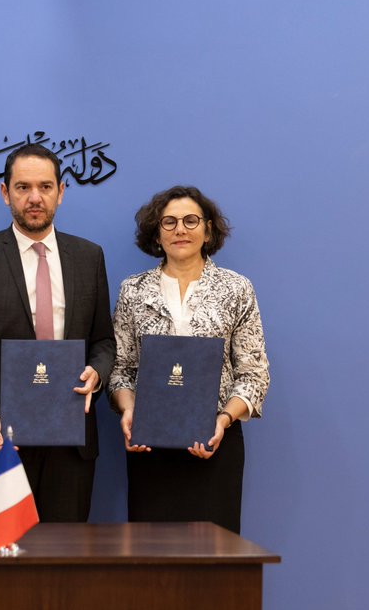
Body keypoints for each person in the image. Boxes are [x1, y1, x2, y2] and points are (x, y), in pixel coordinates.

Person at [0, 144, 115, 522]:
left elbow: (104, 341)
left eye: (45, 186)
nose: (35, 198)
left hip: (71, 440)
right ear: (5, 193)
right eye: (23, 187)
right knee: (3, 563)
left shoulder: (89, 257)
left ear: (61, 191)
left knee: (65, 565)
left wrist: (98, 373)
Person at [108, 185, 269, 534]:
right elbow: (120, 370)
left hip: (215, 442)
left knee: (214, 564)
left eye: (191, 220)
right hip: (149, 446)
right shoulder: (132, 290)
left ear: (208, 229)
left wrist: (224, 420)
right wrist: (128, 409)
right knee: (151, 562)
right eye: (169, 222)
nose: (180, 229)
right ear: (156, 232)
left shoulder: (236, 288)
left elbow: (254, 374)